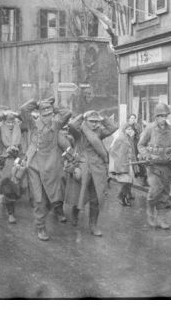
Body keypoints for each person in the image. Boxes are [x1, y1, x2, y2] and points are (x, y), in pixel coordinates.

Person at [20, 97, 72, 241]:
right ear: (40, 114)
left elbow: (67, 113)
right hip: (35, 165)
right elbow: (24, 110)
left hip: (52, 165)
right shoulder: (33, 124)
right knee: (39, 199)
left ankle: (44, 217)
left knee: (52, 198)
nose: (48, 117)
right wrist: (36, 103)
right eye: (44, 114)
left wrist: (52, 106)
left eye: (50, 114)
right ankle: (40, 227)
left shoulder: (56, 124)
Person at [66, 110, 118, 236]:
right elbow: (72, 125)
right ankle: (75, 213)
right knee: (79, 194)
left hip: (97, 168)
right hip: (82, 166)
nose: (95, 124)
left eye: (96, 122)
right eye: (92, 121)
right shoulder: (79, 132)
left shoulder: (99, 132)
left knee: (96, 197)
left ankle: (93, 225)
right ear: (85, 121)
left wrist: (103, 118)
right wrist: (82, 115)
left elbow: (113, 127)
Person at [138, 103, 171, 229]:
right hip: (153, 166)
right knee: (156, 189)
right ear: (156, 117)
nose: (163, 118)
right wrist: (146, 155)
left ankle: (162, 219)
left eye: (165, 115)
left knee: (165, 192)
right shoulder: (150, 129)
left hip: (167, 165)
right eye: (160, 116)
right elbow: (141, 145)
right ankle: (150, 213)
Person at [109, 123, 137, 207]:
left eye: (130, 129)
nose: (129, 131)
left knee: (129, 182)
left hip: (129, 163)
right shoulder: (121, 137)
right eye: (128, 129)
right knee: (126, 182)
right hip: (123, 164)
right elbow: (112, 150)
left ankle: (124, 197)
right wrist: (119, 159)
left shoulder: (128, 138)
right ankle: (121, 197)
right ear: (124, 129)